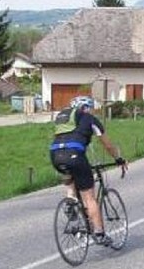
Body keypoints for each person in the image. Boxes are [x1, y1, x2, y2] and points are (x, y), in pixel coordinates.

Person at [50, 96, 127, 246]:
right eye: (90, 108)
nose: (91, 110)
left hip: (56, 156)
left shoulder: (63, 121)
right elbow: (108, 145)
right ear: (86, 108)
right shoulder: (90, 119)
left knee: (71, 186)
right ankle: (99, 233)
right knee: (89, 198)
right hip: (75, 156)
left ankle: (70, 204)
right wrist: (118, 158)